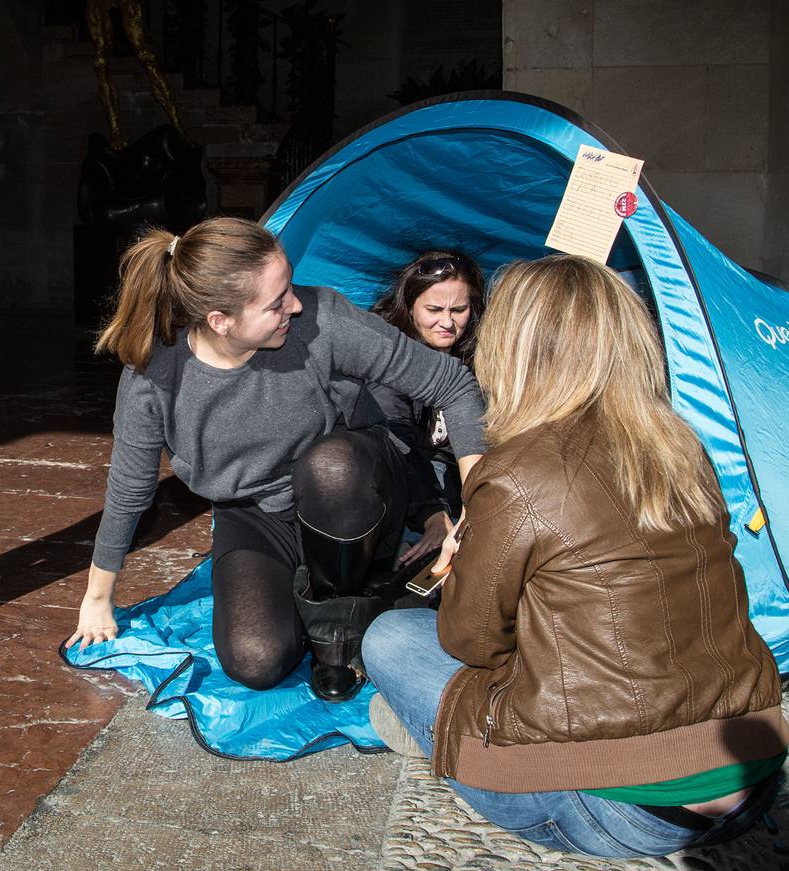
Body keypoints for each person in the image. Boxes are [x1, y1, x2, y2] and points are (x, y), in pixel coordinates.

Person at [362, 254, 789, 858]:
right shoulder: (681, 446)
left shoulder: (516, 472)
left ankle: (428, 732)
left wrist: (463, 561)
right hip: (753, 773)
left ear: (514, 350)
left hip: (624, 811)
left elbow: (472, 642)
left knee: (390, 637)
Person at [65, 217, 486, 702]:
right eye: (276, 301)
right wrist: (98, 598)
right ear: (220, 320)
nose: (296, 304)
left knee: (332, 465)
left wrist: (475, 508)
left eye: (289, 287)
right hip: (257, 515)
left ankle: (338, 629)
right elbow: (129, 490)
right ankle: (360, 597)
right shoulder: (155, 377)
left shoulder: (322, 320)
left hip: (355, 495)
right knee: (256, 661)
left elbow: (452, 384)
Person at [368, 251, 487, 569]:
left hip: (454, 473)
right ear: (408, 308)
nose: (447, 322)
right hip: (398, 473)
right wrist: (434, 516)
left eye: (459, 309)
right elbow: (398, 440)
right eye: (434, 309)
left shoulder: (481, 352)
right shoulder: (387, 355)